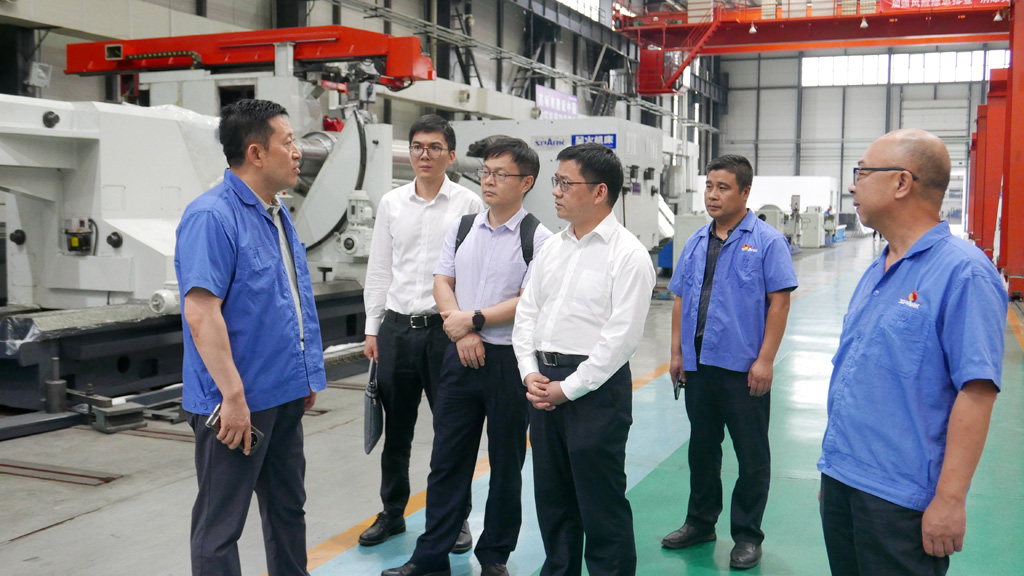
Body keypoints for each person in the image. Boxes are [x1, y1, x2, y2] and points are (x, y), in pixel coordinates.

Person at [818, 128, 1006, 576]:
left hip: (900, 499)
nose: (852, 186)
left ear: (901, 182)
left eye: (862, 173)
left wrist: (950, 500)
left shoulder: (964, 273)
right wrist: (835, 472)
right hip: (845, 478)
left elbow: (977, 392)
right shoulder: (880, 268)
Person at [384, 138, 551, 576]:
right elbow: (442, 280)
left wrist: (473, 320)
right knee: (447, 460)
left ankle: (494, 556)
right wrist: (462, 329)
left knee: (507, 464)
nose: (488, 181)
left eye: (500, 174)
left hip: (510, 364)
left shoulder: (540, 239)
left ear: (526, 182)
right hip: (460, 357)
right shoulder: (462, 228)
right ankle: (430, 556)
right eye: (486, 172)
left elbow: (528, 300)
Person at [174, 99, 326, 576]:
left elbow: (288, 299)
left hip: (282, 393)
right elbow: (201, 313)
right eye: (289, 142)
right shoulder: (212, 216)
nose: (298, 152)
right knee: (221, 526)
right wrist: (233, 397)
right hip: (236, 403)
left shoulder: (276, 212)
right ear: (257, 153)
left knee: (287, 510)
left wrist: (305, 375)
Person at [512, 142, 656, 576]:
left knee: (600, 501)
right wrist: (530, 373)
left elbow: (620, 341)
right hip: (543, 384)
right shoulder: (551, 249)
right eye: (555, 181)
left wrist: (567, 388)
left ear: (599, 192)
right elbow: (527, 314)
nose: (555, 191)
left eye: (564, 182)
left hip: (595, 390)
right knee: (552, 497)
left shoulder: (628, 255)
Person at [661, 154, 797, 570]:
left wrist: (765, 360)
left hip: (743, 369)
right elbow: (680, 298)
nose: (713, 195)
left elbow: (779, 303)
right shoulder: (696, 241)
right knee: (702, 451)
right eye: (709, 186)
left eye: (723, 187)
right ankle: (700, 523)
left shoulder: (768, 241)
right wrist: (677, 353)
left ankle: (747, 535)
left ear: (745, 192)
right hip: (699, 367)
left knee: (752, 457)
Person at [360, 114, 484, 550]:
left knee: (453, 431)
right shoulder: (392, 203)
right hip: (396, 330)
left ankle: (455, 518)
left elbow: (475, 272)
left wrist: (468, 327)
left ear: (451, 155)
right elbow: (379, 268)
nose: (424, 154)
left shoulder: (469, 204)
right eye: (417, 146)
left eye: (434, 147)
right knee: (396, 432)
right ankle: (392, 512)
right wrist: (373, 328)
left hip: (445, 333)